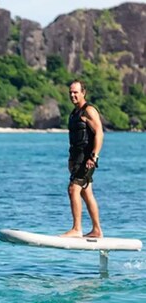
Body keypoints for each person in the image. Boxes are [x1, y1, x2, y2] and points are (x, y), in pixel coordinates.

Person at [61, 79, 103, 238]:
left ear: (83, 93)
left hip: (87, 158)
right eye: (70, 92)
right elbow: (75, 139)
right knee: (86, 192)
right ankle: (97, 230)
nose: (72, 95)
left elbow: (99, 133)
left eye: (75, 92)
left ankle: (76, 228)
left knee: (73, 189)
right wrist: (71, 160)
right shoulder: (74, 113)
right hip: (77, 158)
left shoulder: (89, 110)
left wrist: (94, 155)